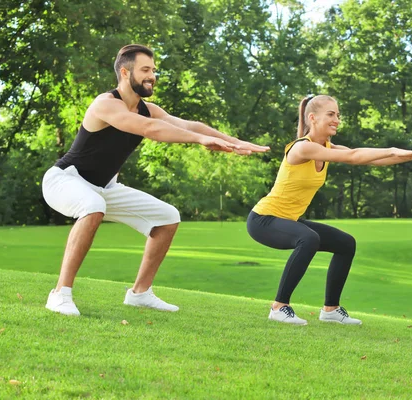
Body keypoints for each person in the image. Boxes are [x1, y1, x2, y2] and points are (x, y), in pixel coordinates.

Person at [42, 44, 269, 316]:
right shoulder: (105, 104)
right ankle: (60, 294)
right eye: (146, 70)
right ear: (125, 73)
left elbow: (187, 125)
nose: (152, 76)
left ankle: (140, 293)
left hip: (105, 187)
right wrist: (200, 141)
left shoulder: (148, 108)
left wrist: (232, 141)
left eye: (154, 70)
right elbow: (150, 129)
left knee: (167, 217)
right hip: (65, 180)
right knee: (92, 206)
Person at [247, 95, 412, 325]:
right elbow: (353, 156)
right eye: (331, 114)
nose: (337, 120)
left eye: (338, 115)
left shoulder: (326, 147)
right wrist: (394, 149)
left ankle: (330, 310)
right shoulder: (302, 148)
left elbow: (367, 159)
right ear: (313, 118)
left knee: (345, 243)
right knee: (309, 238)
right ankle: (279, 306)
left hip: (288, 220)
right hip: (263, 220)